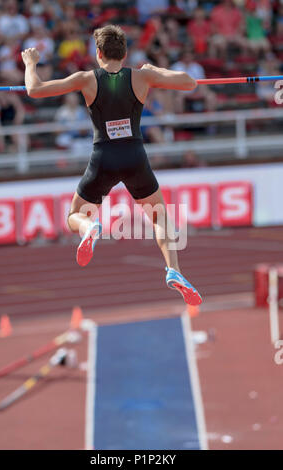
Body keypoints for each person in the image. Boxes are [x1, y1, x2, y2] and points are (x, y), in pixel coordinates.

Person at [21, 24, 202, 306]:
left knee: (73, 216)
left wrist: (31, 63)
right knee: (159, 215)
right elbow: (190, 83)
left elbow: (33, 89)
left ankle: (89, 227)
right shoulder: (143, 76)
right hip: (134, 157)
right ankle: (174, 269)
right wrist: (156, 71)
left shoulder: (86, 79)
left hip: (103, 157)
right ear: (125, 52)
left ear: (99, 53)